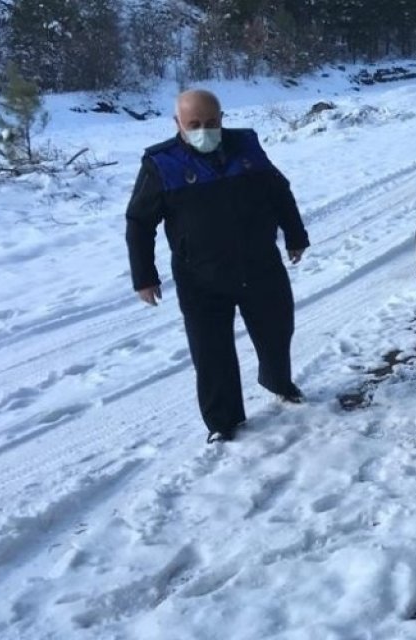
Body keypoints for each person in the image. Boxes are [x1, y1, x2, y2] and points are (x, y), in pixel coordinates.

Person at [125, 89, 309, 444]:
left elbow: (279, 192)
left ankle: (278, 382)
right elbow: (139, 222)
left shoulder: (247, 149)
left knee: (276, 331)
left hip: (260, 266)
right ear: (177, 123)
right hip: (200, 277)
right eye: (194, 124)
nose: (204, 130)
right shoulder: (162, 165)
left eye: (211, 123)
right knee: (211, 352)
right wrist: (144, 277)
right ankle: (222, 422)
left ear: (222, 119)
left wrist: (295, 235)